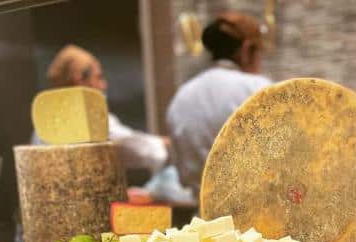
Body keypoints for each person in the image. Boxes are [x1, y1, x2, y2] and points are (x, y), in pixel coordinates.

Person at [166, 12, 272, 194]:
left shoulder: (181, 97)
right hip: (258, 217)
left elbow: (181, 174)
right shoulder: (259, 90)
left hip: (201, 218)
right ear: (247, 50)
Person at [32, 44, 168, 174]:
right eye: (99, 77)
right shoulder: (89, 120)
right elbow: (131, 146)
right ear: (79, 80)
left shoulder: (42, 126)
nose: (104, 85)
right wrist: (169, 143)